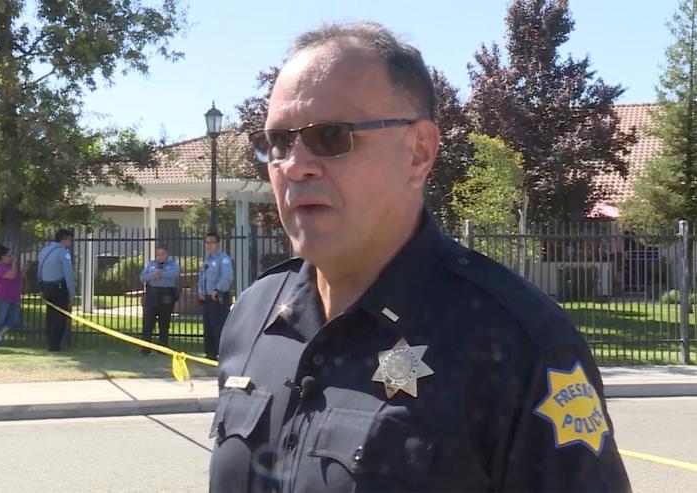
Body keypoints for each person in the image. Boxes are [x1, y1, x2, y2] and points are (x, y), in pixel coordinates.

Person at [208, 22, 631, 492]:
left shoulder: (517, 344)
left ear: (419, 152)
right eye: (280, 142)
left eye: (331, 136)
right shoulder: (254, 316)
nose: (295, 165)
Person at [37, 229, 75, 352]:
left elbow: (39, 271)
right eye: (69, 240)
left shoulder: (44, 251)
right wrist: (72, 294)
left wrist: (41, 288)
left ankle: (50, 342)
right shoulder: (64, 253)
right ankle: (55, 345)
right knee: (60, 317)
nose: (70, 243)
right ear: (64, 239)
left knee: (50, 316)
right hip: (59, 287)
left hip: (46, 286)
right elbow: (68, 275)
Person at [139, 245, 181, 355]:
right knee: (148, 322)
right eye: (158, 254)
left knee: (164, 322)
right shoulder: (151, 264)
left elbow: (175, 273)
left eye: (162, 254)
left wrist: (160, 274)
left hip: (166, 295)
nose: (160, 257)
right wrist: (153, 274)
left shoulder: (173, 264)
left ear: (167, 254)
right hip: (152, 294)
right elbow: (143, 277)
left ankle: (162, 348)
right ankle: (145, 349)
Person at [198, 232, 233, 360]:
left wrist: (217, 289)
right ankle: (210, 352)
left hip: (218, 298)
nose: (209, 245)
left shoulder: (223, 259)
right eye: (207, 242)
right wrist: (200, 289)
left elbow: (227, 277)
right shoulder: (207, 259)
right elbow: (202, 276)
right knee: (208, 326)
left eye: (212, 242)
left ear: (217, 244)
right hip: (207, 299)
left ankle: (222, 353)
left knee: (219, 326)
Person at [0, 245, 22, 346]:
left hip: (13, 298)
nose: (11, 257)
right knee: (0, 320)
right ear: (2, 257)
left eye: (12, 255)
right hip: (1, 296)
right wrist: (15, 264)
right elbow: (11, 276)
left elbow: (17, 279)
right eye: (9, 255)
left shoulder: (11, 267)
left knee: (14, 320)